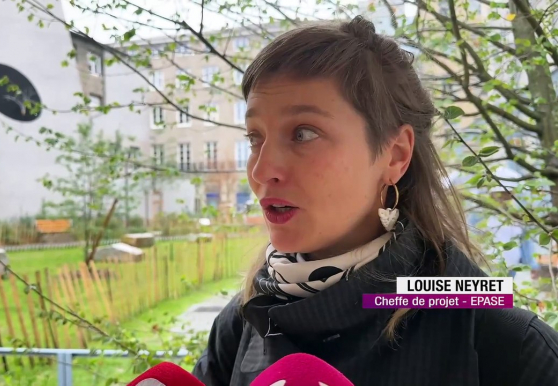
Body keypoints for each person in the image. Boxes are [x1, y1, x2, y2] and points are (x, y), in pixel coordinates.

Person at [191, 16, 558, 386]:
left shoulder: (508, 347)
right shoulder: (241, 326)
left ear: (395, 155)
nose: (261, 169)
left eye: (303, 133)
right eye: (255, 137)